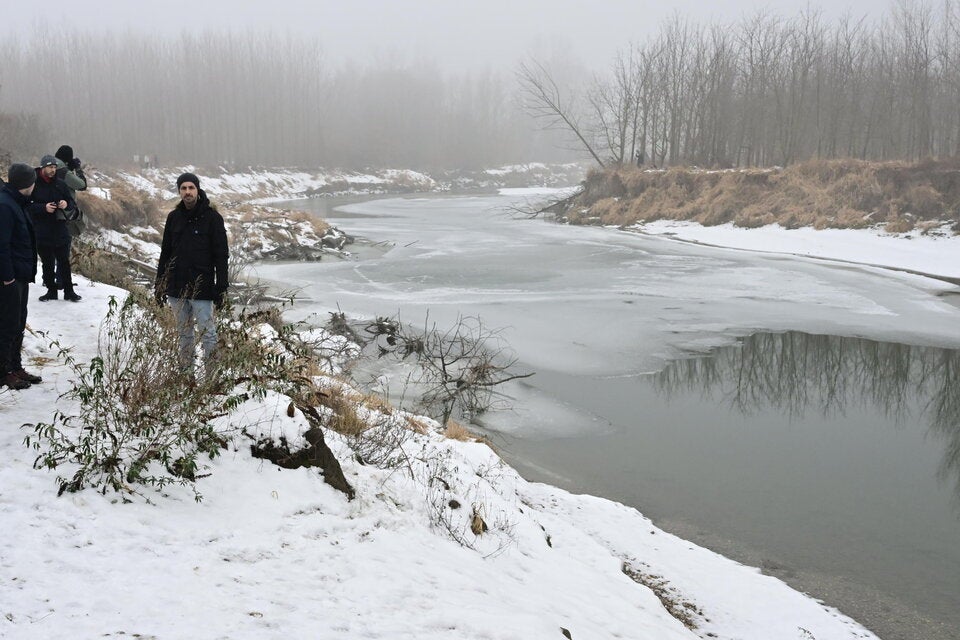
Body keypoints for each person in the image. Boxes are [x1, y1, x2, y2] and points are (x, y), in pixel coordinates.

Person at [155, 172, 229, 376]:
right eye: (183, 188)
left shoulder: (213, 218)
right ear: (179, 191)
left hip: (202, 288)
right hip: (176, 287)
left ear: (198, 189)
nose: (187, 192)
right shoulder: (173, 217)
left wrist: (221, 287)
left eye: (191, 188)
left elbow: (221, 255)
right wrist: (159, 285)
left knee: (208, 335)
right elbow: (165, 253)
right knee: (184, 334)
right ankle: (186, 377)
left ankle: (212, 378)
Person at [0, 163, 41, 390]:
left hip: (21, 275)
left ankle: (15, 367)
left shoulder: (18, 202)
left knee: (18, 322)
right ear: (26, 184)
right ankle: (4, 372)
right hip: (10, 277)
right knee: (8, 325)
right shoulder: (5, 205)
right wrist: (7, 277)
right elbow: (2, 245)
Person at [28, 155, 81, 302]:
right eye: (50, 167)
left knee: (64, 261)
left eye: (55, 167)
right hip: (41, 229)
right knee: (47, 262)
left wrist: (66, 204)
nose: (53, 170)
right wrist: (43, 208)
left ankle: (69, 291)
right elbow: (27, 206)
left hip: (59, 227)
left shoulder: (60, 184)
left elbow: (71, 202)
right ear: (43, 167)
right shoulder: (33, 183)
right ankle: (51, 290)